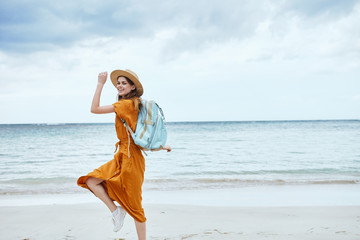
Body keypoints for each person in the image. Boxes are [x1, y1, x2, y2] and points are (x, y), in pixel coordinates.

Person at [77, 69, 171, 240]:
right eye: (118, 83)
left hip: (130, 160)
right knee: (91, 180)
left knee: (135, 207)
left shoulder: (125, 105)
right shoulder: (134, 105)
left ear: (132, 86)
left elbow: (94, 109)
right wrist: (160, 147)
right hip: (122, 156)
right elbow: (139, 136)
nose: (119, 86)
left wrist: (100, 84)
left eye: (123, 83)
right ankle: (116, 211)